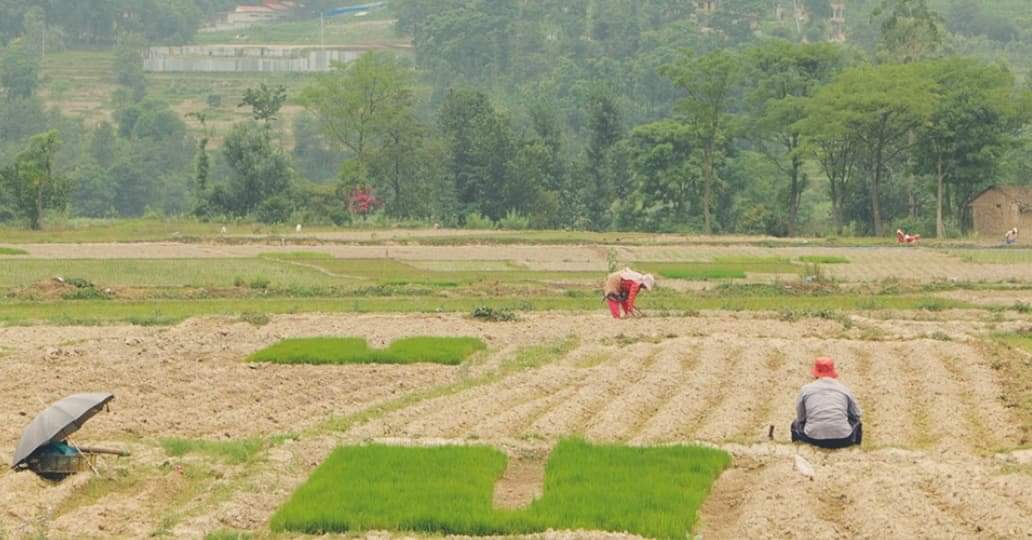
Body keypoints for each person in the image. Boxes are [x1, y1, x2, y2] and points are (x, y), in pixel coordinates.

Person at [791, 357, 862, 449]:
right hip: (843, 438)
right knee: (857, 423)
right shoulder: (844, 389)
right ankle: (856, 450)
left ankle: (797, 449)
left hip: (813, 438)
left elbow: (801, 418)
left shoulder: (806, 390)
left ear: (816, 373)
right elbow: (856, 414)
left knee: (795, 424)